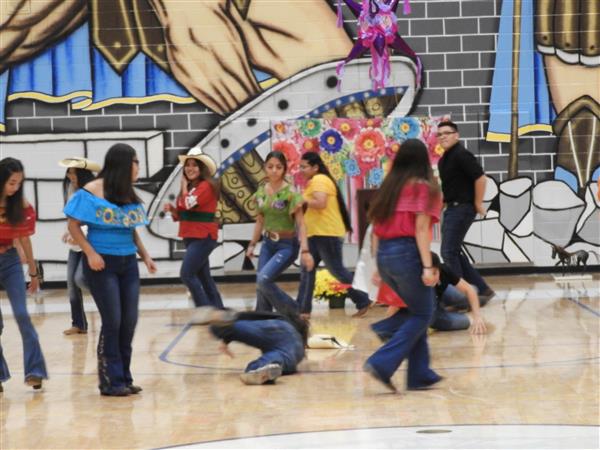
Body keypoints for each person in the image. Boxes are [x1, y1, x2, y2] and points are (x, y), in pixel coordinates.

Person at [65, 144, 157, 396]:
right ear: (123, 164)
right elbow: (73, 226)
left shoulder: (126, 192)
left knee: (129, 321)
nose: (138, 167)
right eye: (135, 162)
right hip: (101, 264)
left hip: (128, 263)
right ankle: (109, 380)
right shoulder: (91, 190)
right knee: (113, 320)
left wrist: (145, 255)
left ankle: (124, 378)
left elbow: (130, 228)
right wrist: (90, 252)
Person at [364, 139, 442, 393]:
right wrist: (428, 266)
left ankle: (420, 373)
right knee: (423, 313)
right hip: (407, 252)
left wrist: (378, 265)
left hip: (386, 254)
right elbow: (421, 230)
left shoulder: (390, 186)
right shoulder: (425, 188)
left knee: (417, 310)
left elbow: (376, 227)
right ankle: (382, 361)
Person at [296, 151, 372, 318]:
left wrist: (301, 200)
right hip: (316, 233)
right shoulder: (314, 181)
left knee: (336, 269)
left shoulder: (320, 180)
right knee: (307, 269)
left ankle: (363, 299)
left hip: (326, 233)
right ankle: (302, 309)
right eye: (299, 166)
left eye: (304, 166)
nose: (301, 170)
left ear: (315, 167)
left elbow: (320, 203)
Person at [0, 157, 48, 392]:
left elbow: (25, 239)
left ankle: (35, 370)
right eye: (11, 183)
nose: (16, 188)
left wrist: (33, 271)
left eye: (19, 183)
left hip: (9, 262)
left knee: (22, 314)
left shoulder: (21, 207)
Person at [246, 151, 313, 315]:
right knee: (260, 284)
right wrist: (252, 244)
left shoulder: (291, 193)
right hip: (268, 244)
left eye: (278, 167)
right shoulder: (261, 192)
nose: (274, 170)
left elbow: (301, 224)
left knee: (264, 279)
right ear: (265, 168)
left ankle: (293, 311)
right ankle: (264, 317)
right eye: (270, 167)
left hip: (286, 245)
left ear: (284, 170)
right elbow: (260, 221)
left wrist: (305, 250)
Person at [436, 120, 495, 300]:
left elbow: (480, 178)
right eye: (440, 134)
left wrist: (478, 203)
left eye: (447, 133)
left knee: (448, 252)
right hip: (452, 209)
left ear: (456, 135)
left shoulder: (462, 155)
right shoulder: (444, 160)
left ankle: (462, 296)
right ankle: (482, 289)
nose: (443, 136)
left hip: (463, 208)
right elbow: (450, 188)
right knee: (453, 251)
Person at [371, 253, 487, 341]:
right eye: (427, 274)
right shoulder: (413, 280)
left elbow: (469, 289)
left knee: (473, 291)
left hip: (443, 294)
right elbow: (395, 306)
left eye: (435, 273)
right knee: (464, 322)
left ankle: (473, 302)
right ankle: (445, 310)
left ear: (439, 269)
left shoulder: (444, 270)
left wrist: (478, 316)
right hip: (432, 310)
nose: (431, 278)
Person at [164, 152, 223, 308]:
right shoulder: (192, 188)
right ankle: (219, 309)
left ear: (202, 168)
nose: (190, 168)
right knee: (204, 276)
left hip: (203, 236)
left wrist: (183, 188)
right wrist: (172, 210)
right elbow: (185, 213)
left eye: (194, 165)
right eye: (187, 165)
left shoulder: (206, 186)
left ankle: (204, 309)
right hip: (192, 236)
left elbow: (189, 204)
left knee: (187, 274)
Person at [192, 306, 308, 385]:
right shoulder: (298, 341)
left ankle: (261, 369)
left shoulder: (282, 319)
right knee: (271, 364)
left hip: (281, 330)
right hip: (295, 355)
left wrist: (227, 332)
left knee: (229, 327)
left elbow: (253, 316)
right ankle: (263, 368)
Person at [59, 157, 101, 335]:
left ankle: (109, 301)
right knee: (71, 284)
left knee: (80, 279)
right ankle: (79, 324)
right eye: (68, 172)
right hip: (75, 245)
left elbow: (94, 219)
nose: (70, 175)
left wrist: (79, 234)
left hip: (89, 243)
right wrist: (68, 232)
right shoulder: (70, 189)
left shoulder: (91, 192)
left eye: (73, 172)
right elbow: (71, 218)